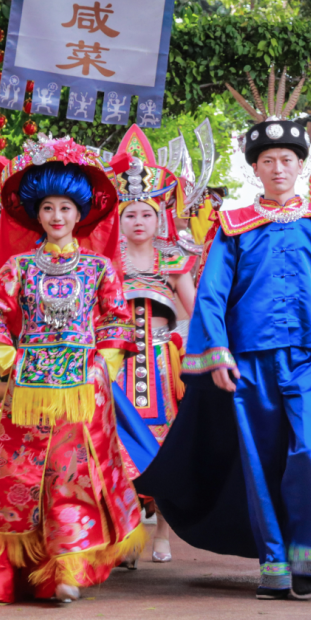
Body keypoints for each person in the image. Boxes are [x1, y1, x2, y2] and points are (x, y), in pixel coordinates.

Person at [137, 69, 311, 601]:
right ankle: (275, 562)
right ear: (255, 169)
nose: (278, 169)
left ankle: (308, 551)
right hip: (250, 360)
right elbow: (211, 295)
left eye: (287, 161)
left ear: (300, 167)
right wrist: (215, 355)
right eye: (268, 162)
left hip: (310, 357)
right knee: (259, 462)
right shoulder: (234, 223)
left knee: (306, 451)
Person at [0, 135, 143, 605]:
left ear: (80, 215)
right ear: (37, 215)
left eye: (66, 209)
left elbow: (119, 321)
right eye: (49, 209)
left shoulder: (100, 268)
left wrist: (103, 365)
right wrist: (13, 362)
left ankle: (66, 570)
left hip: (82, 391)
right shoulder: (19, 267)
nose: (57, 217)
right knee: (18, 478)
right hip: (28, 390)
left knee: (68, 475)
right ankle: (11, 573)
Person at [110, 124, 202, 564]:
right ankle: (128, 535)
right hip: (115, 364)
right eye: (130, 214)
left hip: (164, 364)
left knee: (164, 447)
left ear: (159, 216)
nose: (138, 222)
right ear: (119, 218)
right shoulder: (106, 261)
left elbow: (198, 311)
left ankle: (163, 534)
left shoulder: (173, 257)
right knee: (118, 446)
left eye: (145, 214)